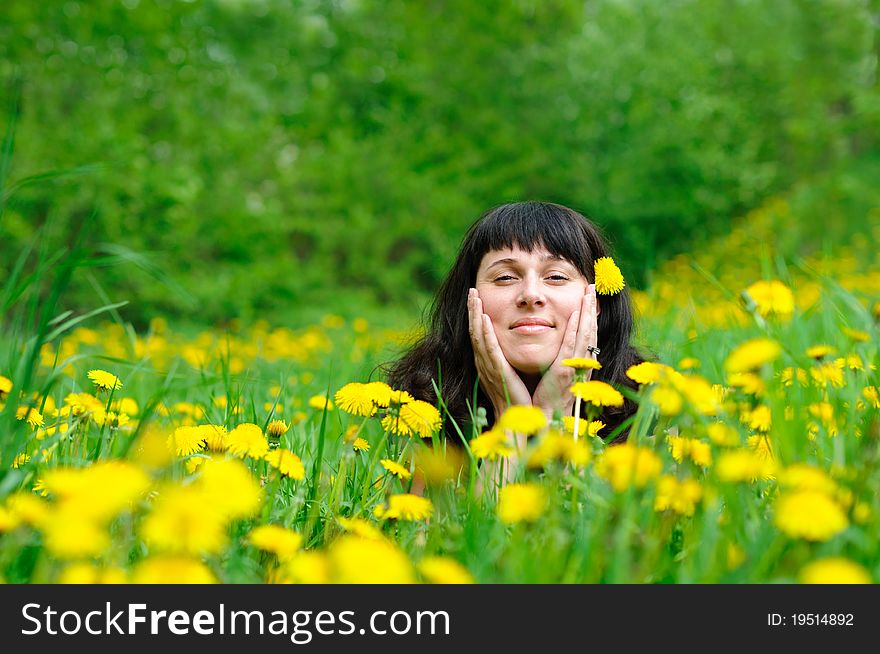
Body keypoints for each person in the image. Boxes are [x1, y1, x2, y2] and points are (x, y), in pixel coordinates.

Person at [385, 201, 644, 456]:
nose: (531, 295)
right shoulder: (421, 412)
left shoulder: (650, 414)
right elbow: (478, 502)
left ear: (595, 303)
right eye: (505, 277)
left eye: (556, 276)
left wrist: (552, 415)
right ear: (469, 299)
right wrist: (511, 421)